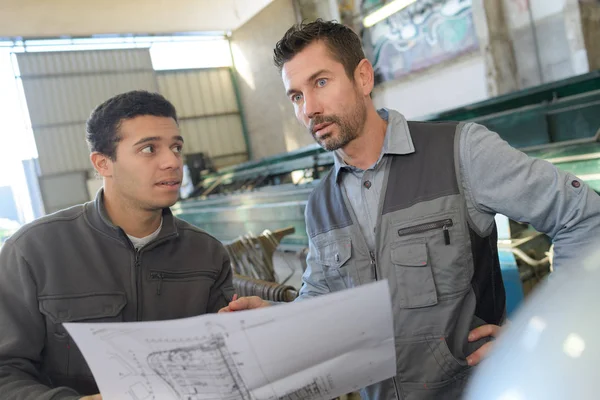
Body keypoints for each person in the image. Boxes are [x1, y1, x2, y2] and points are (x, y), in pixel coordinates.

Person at [220, 19, 600, 399]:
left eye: (321, 82)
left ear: (363, 77)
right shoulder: (321, 203)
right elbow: (321, 299)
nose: (310, 109)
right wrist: (276, 319)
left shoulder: (460, 152)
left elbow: (582, 215)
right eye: (296, 96)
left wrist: (533, 336)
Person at [0, 90, 235, 400]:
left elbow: (226, 357)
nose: (172, 162)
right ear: (103, 163)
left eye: (176, 147)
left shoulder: (207, 254)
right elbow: (6, 371)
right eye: (149, 148)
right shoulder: (32, 252)